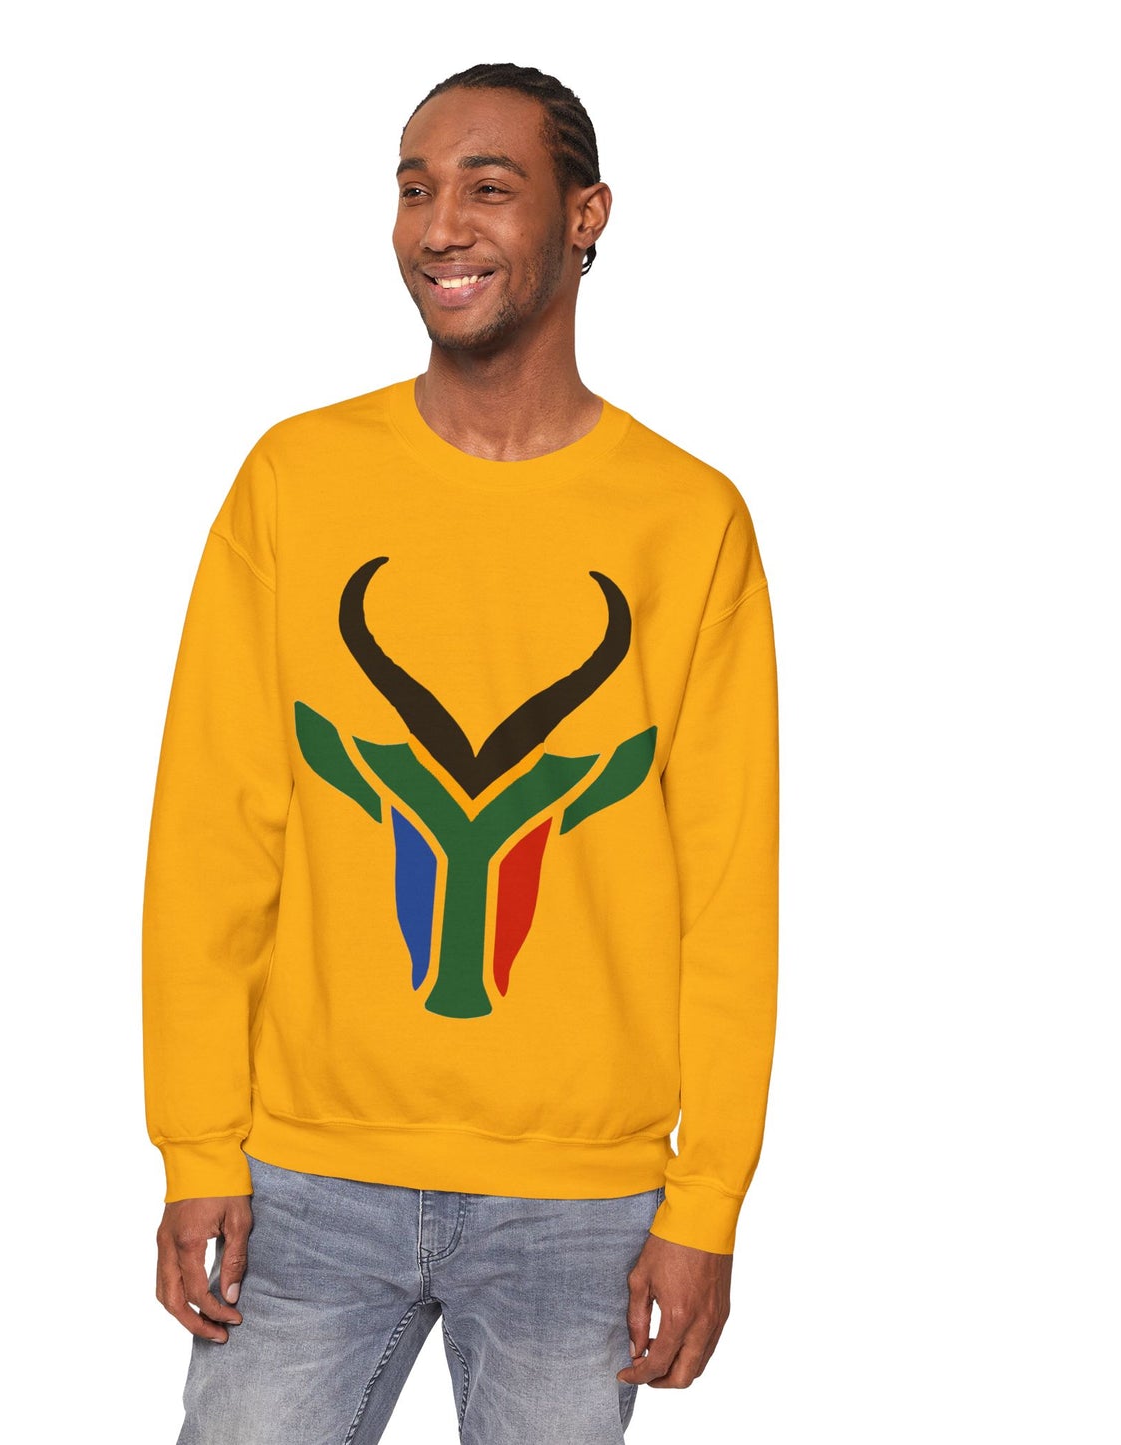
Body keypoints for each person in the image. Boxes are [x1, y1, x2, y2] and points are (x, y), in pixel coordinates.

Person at [142, 61, 779, 1444]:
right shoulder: (294, 482)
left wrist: (707, 1201)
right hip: (306, 1178)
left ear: (584, 216)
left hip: (583, 1201)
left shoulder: (688, 522)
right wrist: (197, 1146)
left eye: (489, 188)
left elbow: (728, 892)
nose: (440, 227)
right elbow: (213, 835)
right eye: (414, 188)